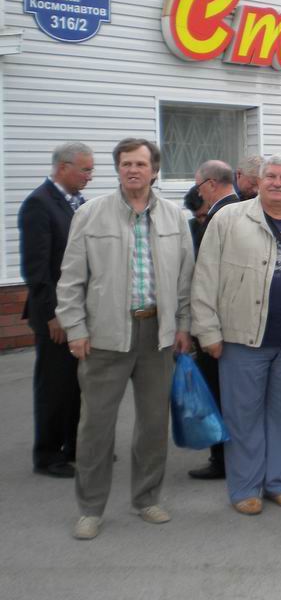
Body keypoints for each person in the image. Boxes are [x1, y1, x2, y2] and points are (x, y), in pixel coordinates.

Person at [56, 138, 194, 540]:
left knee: (153, 425)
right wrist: (75, 328)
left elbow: (185, 278)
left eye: (140, 164)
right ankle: (90, 509)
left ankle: (147, 498)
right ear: (118, 169)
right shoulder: (90, 214)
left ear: (155, 171)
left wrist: (183, 325)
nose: (133, 170)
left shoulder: (174, 217)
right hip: (104, 336)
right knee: (95, 427)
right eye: (126, 163)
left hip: (157, 336)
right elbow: (71, 278)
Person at [191, 154, 281, 516]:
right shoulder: (229, 219)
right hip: (241, 339)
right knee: (243, 417)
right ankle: (245, 488)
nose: (277, 182)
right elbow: (205, 276)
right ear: (258, 182)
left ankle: (278, 483)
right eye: (270, 176)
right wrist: (207, 331)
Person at [19, 141, 94, 479]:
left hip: (79, 309)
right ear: (63, 167)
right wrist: (54, 315)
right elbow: (36, 270)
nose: (90, 176)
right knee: (54, 386)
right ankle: (48, 454)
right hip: (56, 315)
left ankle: (75, 446)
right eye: (85, 170)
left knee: (78, 384)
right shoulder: (39, 204)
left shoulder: (78, 204)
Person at [185, 160, 240, 482]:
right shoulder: (238, 209)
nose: (198, 193)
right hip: (229, 321)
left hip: (219, 322)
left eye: (198, 186)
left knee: (218, 394)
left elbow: (207, 276)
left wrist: (204, 327)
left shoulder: (221, 215)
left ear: (209, 184)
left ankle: (222, 459)